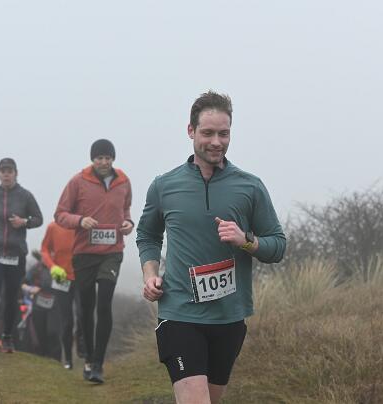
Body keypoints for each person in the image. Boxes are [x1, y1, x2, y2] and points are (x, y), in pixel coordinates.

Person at [136, 91, 287, 404]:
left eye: (224, 134)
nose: (216, 142)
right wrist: (150, 274)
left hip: (228, 318)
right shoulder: (164, 186)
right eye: (207, 133)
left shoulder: (250, 186)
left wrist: (246, 240)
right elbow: (148, 235)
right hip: (179, 313)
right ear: (190, 131)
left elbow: (277, 246)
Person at [55, 139, 133, 383]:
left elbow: (126, 210)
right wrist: (80, 221)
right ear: (92, 159)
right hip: (84, 253)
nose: (104, 162)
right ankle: (88, 358)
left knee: (104, 303)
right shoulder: (78, 182)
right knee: (86, 308)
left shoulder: (123, 181)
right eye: (99, 158)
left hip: (112, 252)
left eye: (107, 157)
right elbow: (60, 215)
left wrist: (129, 223)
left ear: (113, 158)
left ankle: (98, 364)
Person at [0, 157, 43, 353]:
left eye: (10, 171)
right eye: (3, 171)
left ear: (16, 174)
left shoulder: (25, 196)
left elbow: (38, 219)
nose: (6, 174)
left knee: (11, 296)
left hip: (16, 253)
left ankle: (7, 336)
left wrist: (24, 222)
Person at [40, 220, 81, 369]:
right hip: (61, 279)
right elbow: (44, 250)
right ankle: (68, 359)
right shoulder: (53, 227)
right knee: (66, 321)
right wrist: (52, 267)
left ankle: (82, 345)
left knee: (83, 315)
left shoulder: (84, 224)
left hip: (82, 277)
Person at [21, 250, 61, 360]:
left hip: (55, 306)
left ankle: (56, 359)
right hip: (38, 305)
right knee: (40, 332)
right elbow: (23, 283)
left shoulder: (59, 268)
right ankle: (42, 356)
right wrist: (30, 289)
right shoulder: (35, 269)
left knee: (53, 332)